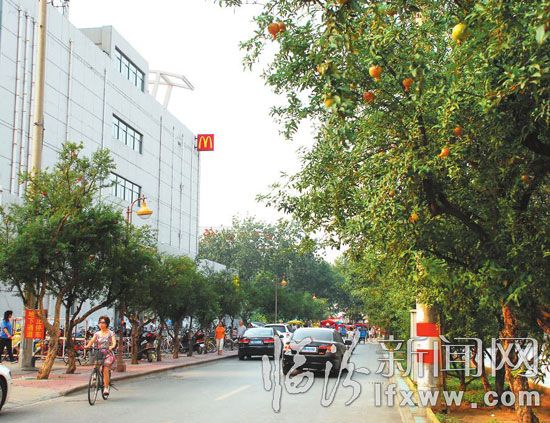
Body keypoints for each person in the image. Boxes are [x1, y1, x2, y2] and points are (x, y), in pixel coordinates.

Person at [85, 315, 116, 397]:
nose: (101, 324)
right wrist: (87, 346)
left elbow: (114, 342)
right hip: (99, 352)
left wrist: (112, 346)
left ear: (107, 324)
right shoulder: (97, 334)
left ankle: (106, 388)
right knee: (96, 365)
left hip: (108, 354)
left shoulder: (111, 333)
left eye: (103, 323)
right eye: (100, 323)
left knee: (105, 370)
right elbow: (92, 341)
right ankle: (95, 375)